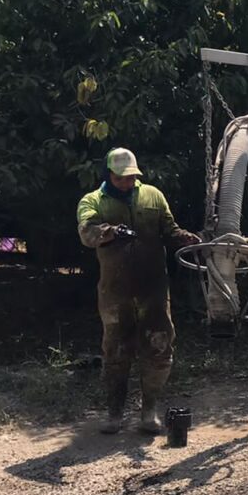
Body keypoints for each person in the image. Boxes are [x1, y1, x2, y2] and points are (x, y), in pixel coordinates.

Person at [77, 148, 200, 434]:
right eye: (122, 178)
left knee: (159, 346)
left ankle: (149, 412)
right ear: (110, 175)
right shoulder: (93, 201)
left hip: (153, 288)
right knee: (116, 351)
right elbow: (87, 232)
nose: (128, 182)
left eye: (132, 177)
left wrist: (186, 239)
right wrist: (108, 232)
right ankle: (114, 414)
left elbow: (169, 230)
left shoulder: (153, 196)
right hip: (115, 291)